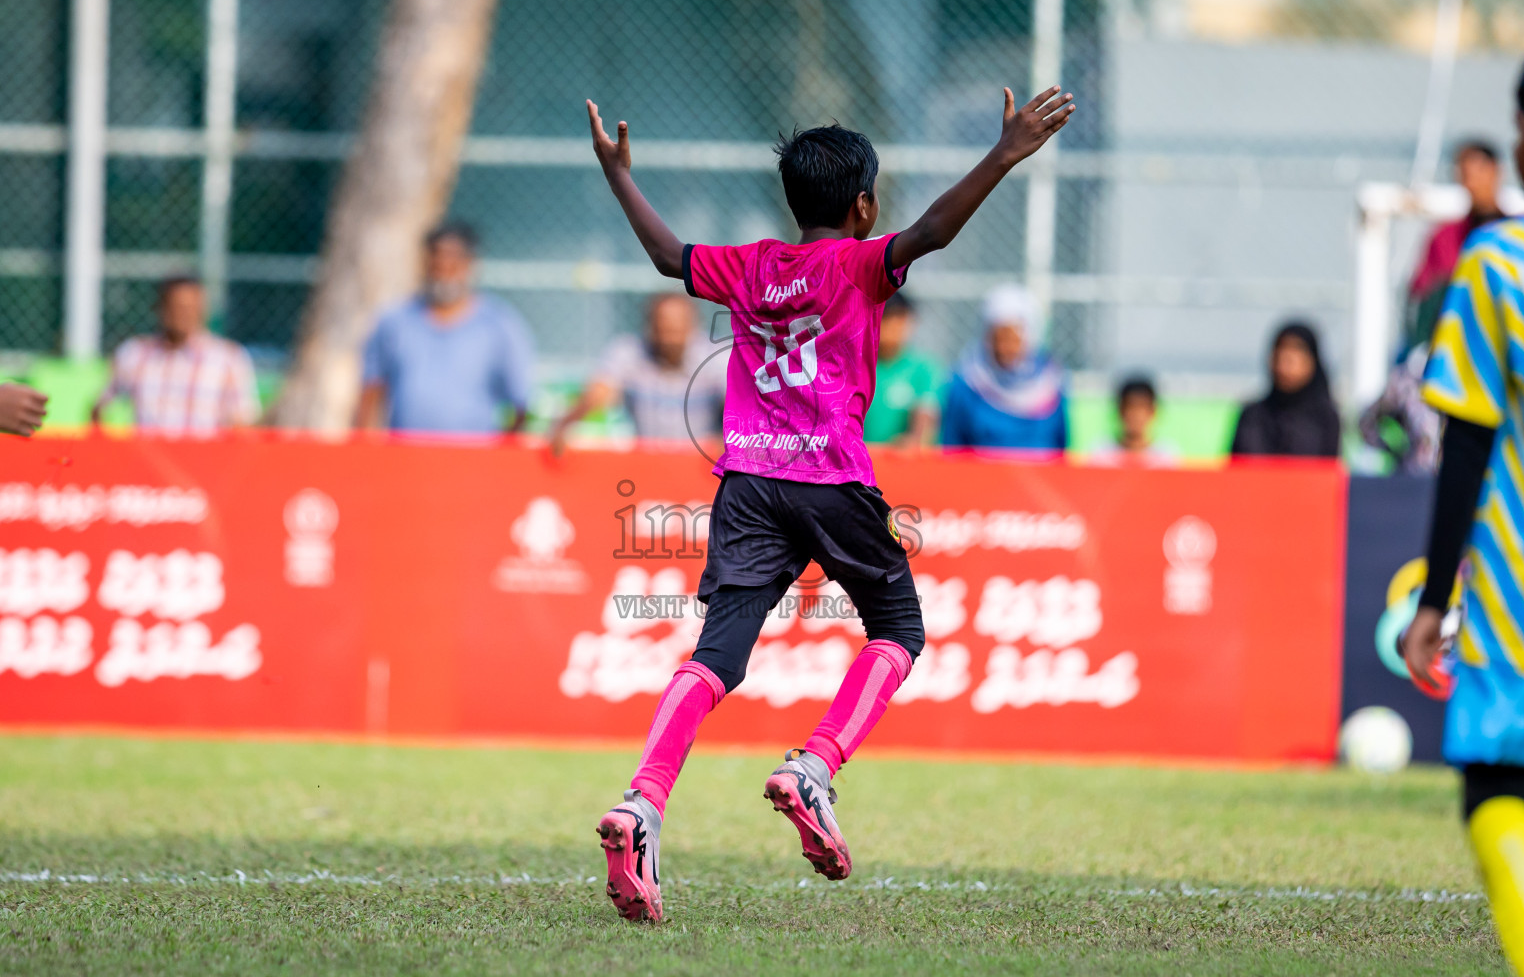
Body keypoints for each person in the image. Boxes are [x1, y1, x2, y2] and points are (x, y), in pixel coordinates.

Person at [585, 79, 1074, 922]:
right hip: (833, 483)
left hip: (747, 486)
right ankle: (813, 767)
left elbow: (670, 258)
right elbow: (932, 233)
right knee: (899, 631)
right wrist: (1003, 153)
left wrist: (619, 174)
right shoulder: (858, 263)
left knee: (716, 657)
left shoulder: (749, 267)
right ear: (862, 204)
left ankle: (641, 802)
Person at [1402, 50, 1524, 977]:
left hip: (1520, 596)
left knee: (1498, 790)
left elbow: (1468, 445)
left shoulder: (1501, 263)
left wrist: (1432, 601)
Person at [356, 222, 536, 435]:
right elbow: (372, 391)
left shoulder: (498, 324)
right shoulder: (395, 321)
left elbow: (521, 404)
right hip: (405, 456)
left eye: (453, 263)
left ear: (470, 264)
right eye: (436, 262)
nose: (444, 271)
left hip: (473, 458)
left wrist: (501, 459)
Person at [548, 292, 725, 453]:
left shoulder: (716, 359)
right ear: (650, 328)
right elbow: (600, 392)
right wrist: (566, 423)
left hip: (701, 466)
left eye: (677, 331)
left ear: (693, 327)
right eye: (664, 330)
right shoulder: (630, 351)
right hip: (646, 462)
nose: (671, 339)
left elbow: (738, 405)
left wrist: (726, 442)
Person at [91, 275, 260, 437]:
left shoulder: (228, 358)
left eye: (191, 308)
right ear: (160, 308)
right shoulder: (134, 354)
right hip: (146, 460)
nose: (184, 315)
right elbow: (100, 408)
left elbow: (243, 424)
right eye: (176, 307)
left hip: (205, 461)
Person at [939, 285, 1068, 452]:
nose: (1004, 348)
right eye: (997, 338)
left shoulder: (1051, 382)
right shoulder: (967, 382)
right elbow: (952, 447)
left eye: (1013, 339)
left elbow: (1061, 447)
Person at [1406, 140, 1507, 345]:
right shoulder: (1445, 236)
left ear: (1496, 171)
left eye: (1479, 172)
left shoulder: (1516, 234)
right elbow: (1422, 293)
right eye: (1465, 174)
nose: (1472, 182)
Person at [1229, 321, 1340, 459]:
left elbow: (1328, 473)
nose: (1286, 360)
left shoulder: (1325, 418)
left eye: (1297, 351)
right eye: (1281, 350)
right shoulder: (1252, 416)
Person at [862, 291, 942, 447]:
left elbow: (926, 417)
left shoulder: (923, 369)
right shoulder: (856, 366)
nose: (894, 326)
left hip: (902, 464)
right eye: (887, 318)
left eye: (900, 318)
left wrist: (915, 440)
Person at [1358, 343, 1441, 476]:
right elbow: (1367, 421)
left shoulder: (1454, 382)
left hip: (1445, 477)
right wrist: (1390, 445)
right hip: (1409, 477)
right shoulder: (1404, 380)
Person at [1088, 375, 1179, 466]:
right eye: (1130, 407)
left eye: (1142, 408)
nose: (1136, 415)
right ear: (1120, 410)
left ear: (1152, 411)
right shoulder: (1102, 454)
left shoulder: (1166, 457)